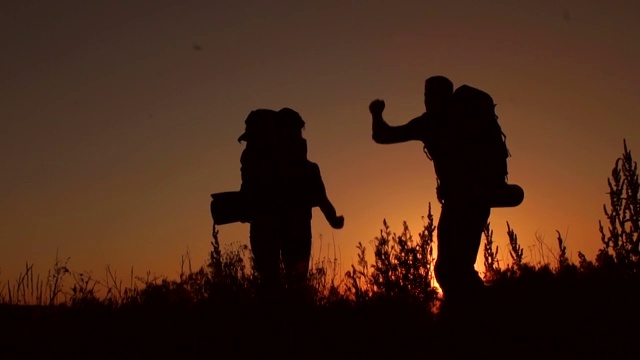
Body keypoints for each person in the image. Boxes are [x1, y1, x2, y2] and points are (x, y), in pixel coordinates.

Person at [369, 75, 490, 310]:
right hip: (479, 201)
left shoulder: (432, 122)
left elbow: (383, 135)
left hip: (459, 203)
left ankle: (475, 317)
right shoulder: (465, 120)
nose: (426, 100)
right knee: (459, 268)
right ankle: (476, 315)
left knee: (448, 270)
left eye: (428, 95)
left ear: (438, 96)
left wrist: (376, 113)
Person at [239, 108, 344, 301]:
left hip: (267, 228)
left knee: (272, 283)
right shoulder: (307, 168)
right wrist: (334, 219)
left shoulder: (258, 162)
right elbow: (322, 200)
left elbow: (247, 192)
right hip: (294, 229)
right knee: (293, 285)